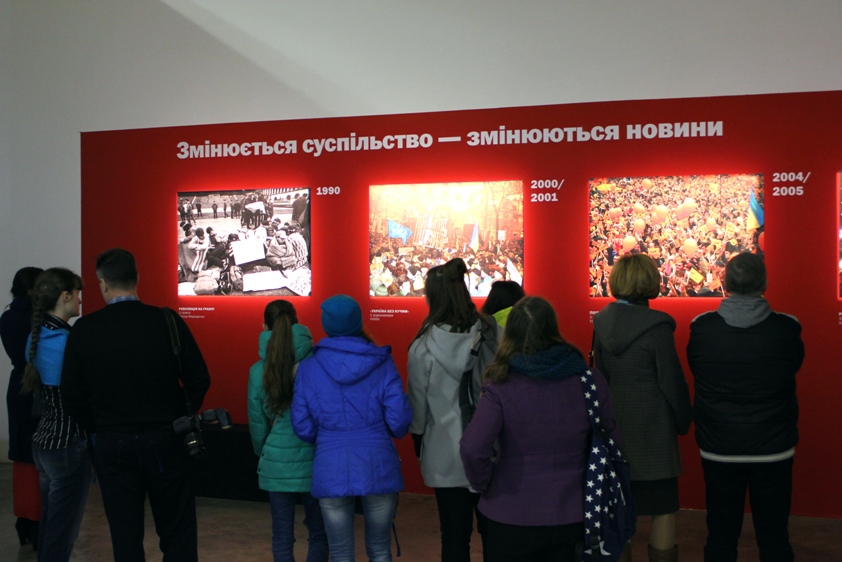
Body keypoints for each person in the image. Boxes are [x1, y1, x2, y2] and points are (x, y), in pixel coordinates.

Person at [61, 248, 211, 561]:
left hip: (112, 441)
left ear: (102, 283)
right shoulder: (166, 320)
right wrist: (179, 414)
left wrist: (97, 426)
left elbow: (71, 396)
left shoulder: (85, 329)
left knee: (125, 535)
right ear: (137, 278)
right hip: (166, 437)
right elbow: (199, 378)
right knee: (178, 530)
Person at [460, 296, 619, 561]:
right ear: (553, 329)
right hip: (576, 512)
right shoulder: (589, 381)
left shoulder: (500, 384)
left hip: (509, 513)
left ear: (510, 334)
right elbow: (612, 442)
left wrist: (484, 483)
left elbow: (473, 447)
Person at [687, 252, 804, 562]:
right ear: (764, 283)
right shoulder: (787, 328)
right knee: (775, 538)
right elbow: (793, 367)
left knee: (720, 537)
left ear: (725, 284)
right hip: (773, 447)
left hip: (719, 447)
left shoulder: (702, 328)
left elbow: (698, 369)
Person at [291, 295, 412, 562]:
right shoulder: (382, 362)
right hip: (378, 462)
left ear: (326, 324)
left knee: (340, 553)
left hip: (330, 465)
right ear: (358, 321)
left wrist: (328, 438)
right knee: (380, 551)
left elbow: (301, 424)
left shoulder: (308, 368)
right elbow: (399, 421)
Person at [593, 253, 692, 562]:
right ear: (651, 281)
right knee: (662, 507)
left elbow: (601, 379)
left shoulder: (602, 323)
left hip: (616, 427)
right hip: (654, 430)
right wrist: (684, 421)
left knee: (618, 510)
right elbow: (671, 382)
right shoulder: (657, 328)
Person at [407, 257, 498, 562]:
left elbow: (418, 407)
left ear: (432, 297)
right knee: (495, 535)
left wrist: (418, 441)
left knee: (454, 536)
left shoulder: (422, 346)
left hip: (445, 449)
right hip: (490, 447)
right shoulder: (491, 334)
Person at [247, 300, 328, 562]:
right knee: (319, 532)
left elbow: (258, 424)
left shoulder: (258, 371)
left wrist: (265, 453)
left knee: (282, 535)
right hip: (314, 458)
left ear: (264, 326)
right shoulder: (316, 364)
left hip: (277, 462)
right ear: (297, 321)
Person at [22, 268, 91, 561]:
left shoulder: (35, 337)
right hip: (67, 444)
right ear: (64, 296)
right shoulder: (68, 342)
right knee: (62, 533)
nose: (79, 300)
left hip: (44, 442)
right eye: (77, 294)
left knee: (51, 525)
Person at [1, 266, 44, 549]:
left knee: (21, 456)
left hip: (17, 386)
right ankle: (38, 522)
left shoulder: (7, 317)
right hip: (38, 387)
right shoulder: (40, 318)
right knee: (41, 456)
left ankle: (25, 520)